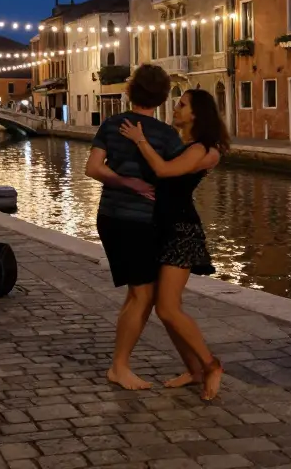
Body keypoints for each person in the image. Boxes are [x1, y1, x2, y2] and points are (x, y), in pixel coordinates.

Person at [119, 89, 228, 401]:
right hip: (161, 228)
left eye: (181, 105)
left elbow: (165, 171)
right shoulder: (182, 144)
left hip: (181, 231)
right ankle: (194, 370)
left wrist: (140, 140)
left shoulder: (205, 149)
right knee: (165, 308)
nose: (175, 108)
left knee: (167, 308)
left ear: (196, 114)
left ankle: (211, 365)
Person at [84, 65, 182, 390]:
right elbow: (170, 179)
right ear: (164, 96)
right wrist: (134, 184)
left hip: (109, 218)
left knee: (136, 293)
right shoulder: (167, 136)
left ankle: (120, 363)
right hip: (140, 222)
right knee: (143, 295)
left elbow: (93, 169)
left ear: (129, 91)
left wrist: (121, 179)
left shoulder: (113, 125)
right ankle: (120, 367)